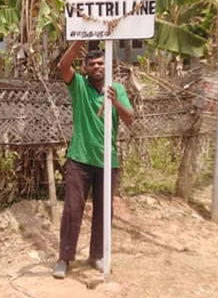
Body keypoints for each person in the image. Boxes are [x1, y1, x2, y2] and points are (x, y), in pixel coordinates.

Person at [53, 41, 134, 279]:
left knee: (103, 211)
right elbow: (63, 66)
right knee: (72, 210)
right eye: (92, 64)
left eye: (100, 63)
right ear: (86, 68)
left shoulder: (116, 88)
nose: (97, 67)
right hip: (80, 158)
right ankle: (64, 259)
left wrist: (115, 101)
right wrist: (79, 39)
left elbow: (130, 119)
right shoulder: (78, 86)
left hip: (108, 161)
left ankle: (96, 255)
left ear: (106, 66)